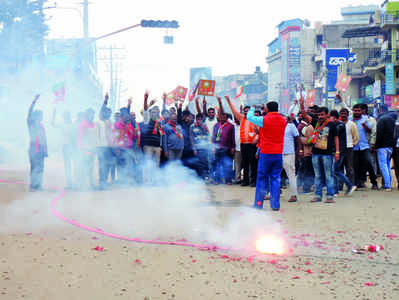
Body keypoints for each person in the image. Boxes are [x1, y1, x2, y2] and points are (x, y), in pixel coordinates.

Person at [247, 101, 286, 211]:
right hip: (278, 153)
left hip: (266, 152)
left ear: (267, 109)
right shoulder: (283, 120)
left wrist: (253, 107)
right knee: (275, 179)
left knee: (262, 179)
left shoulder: (264, 120)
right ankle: (275, 205)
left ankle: (258, 204)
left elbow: (249, 117)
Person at [224, 96, 259, 187]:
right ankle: (245, 181)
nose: (246, 112)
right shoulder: (241, 118)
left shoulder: (255, 120)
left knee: (253, 163)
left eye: (248, 111)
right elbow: (233, 111)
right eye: (245, 111)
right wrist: (228, 100)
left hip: (252, 145)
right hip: (243, 144)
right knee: (245, 163)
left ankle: (253, 181)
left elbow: (259, 132)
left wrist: (256, 137)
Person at [308, 107, 339, 203]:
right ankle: (317, 196)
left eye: (322, 114)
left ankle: (330, 196)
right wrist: (301, 105)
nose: (320, 116)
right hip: (316, 153)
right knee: (317, 175)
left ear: (327, 115)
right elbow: (305, 116)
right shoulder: (316, 123)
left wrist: (337, 152)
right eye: (319, 115)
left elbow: (336, 138)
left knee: (328, 175)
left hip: (327, 154)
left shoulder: (332, 124)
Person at [330, 110, 356, 196]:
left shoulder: (340, 125)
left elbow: (334, 132)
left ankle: (349, 185)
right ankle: (336, 190)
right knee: (336, 170)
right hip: (337, 151)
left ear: (334, 117)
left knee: (336, 170)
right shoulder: (337, 125)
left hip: (340, 151)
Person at [352, 104, 378, 190]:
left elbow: (370, 131)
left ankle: (374, 182)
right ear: (353, 111)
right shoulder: (350, 120)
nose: (357, 112)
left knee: (368, 162)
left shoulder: (366, 120)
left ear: (361, 111)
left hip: (364, 146)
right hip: (354, 146)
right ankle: (356, 184)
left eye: (358, 111)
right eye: (355, 110)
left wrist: (365, 126)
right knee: (354, 165)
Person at [27, 94, 47, 191]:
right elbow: (29, 112)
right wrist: (34, 101)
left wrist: (45, 151)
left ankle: (38, 185)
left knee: (40, 169)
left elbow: (44, 139)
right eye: (40, 115)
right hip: (34, 149)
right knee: (34, 168)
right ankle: (33, 186)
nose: (41, 117)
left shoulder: (41, 126)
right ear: (36, 116)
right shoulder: (31, 123)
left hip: (41, 150)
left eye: (42, 116)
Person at [374, 111, 397, 191]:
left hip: (382, 146)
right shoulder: (392, 121)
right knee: (387, 165)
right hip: (390, 146)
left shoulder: (381, 121)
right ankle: (388, 182)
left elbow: (379, 134)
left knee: (383, 166)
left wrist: (376, 146)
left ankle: (387, 185)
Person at [52, 109, 74, 189]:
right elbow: (53, 124)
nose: (66, 117)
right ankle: (69, 182)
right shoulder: (62, 124)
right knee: (68, 165)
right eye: (65, 115)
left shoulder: (72, 123)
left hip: (72, 146)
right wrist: (53, 114)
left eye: (67, 115)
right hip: (66, 146)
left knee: (75, 163)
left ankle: (73, 181)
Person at [211, 112, 235, 185]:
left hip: (227, 147)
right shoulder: (216, 125)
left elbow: (233, 137)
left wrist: (233, 147)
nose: (222, 118)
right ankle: (217, 180)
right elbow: (214, 136)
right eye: (221, 117)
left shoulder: (230, 126)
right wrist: (213, 146)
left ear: (227, 118)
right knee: (217, 164)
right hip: (217, 147)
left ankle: (228, 180)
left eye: (224, 117)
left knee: (227, 164)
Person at [96, 93, 113, 189]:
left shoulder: (110, 122)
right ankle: (101, 182)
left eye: (109, 113)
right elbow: (102, 109)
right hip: (101, 146)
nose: (108, 114)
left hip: (109, 146)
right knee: (102, 164)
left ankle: (105, 181)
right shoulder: (101, 120)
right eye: (107, 112)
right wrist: (105, 101)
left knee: (108, 163)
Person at [76, 108, 96, 189]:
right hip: (85, 150)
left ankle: (91, 184)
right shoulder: (83, 124)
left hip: (92, 149)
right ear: (87, 115)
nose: (92, 116)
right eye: (91, 114)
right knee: (84, 168)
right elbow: (80, 137)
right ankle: (82, 185)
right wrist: (82, 149)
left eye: (93, 114)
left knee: (91, 168)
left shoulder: (93, 124)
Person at [339, 108, 359, 186]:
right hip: (340, 149)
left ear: (347, 115)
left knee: (349, 167)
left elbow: (356, 136)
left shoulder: (352, 124)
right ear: (339, 114)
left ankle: (351, 185)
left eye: (345, 113)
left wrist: (353, 144)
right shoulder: (338, 123)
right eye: (342, 113)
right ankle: (339, 186)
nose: (343, 115)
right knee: (339, 168)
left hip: (349, 148)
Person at [282, 115, 299, 202]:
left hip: (289, 153)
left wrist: (298, 150)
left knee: (291, 174)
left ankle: (294, 195)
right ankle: (273, 192)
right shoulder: (277, 127)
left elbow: (297, 138)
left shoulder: (291, 126)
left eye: (284, 119)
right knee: (274, 174)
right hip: (278, 153)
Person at [191, 113, 210, 179]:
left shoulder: (204, 126)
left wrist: (203, 127)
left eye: (201, 119)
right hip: (197, 148)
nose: (199, 121)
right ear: (196, 119)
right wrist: (194, 149)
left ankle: (205, 176)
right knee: (199, 163)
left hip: (205, 147)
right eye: (198, 119)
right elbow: (191, 138)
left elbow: (208, 135)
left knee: (205, 162)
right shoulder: (192, 126)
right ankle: (200, 177)